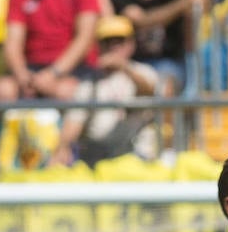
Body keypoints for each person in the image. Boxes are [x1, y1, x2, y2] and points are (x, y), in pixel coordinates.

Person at [49, 16, 161, 167]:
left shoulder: (144, 72)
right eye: (107, 41)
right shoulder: (88, 83)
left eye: (120, 40)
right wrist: (63, 147)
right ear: (99, 45)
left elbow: (150, 91)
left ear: (131, 44)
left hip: (138, 157)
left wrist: (123, 67)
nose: (114, 47)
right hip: (101, 158)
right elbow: (74, 122)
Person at [0, 0, 100, 103]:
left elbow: (85, 38)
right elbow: (12, 44)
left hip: (74, 68)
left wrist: (53, 73)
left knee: (65, 91)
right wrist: (22, 76)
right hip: (32, 68)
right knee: (3, 89)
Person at [110, 0, 211, 95]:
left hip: (170, 62)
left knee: (165, 87)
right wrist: (182, 4)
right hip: (135, 62)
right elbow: (140, 20)